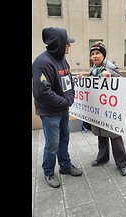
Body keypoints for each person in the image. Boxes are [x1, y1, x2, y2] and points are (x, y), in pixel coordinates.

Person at [32, 27, 83, 188]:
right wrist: (65, 102)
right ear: (59, 44)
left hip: (63, 110)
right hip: (50, 113)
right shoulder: (42, 63)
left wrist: (71, 96)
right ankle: (48, 172)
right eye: (68, 43)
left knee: (64, 139)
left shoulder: (62, 59)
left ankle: (65, 166)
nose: (70, 46)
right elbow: (42, 92)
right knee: (52, 144)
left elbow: (68, 79)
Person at [89, 41, 126, 176]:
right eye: (93, 54)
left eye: (98, 53)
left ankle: (122, 163)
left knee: (115, 136)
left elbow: (120, 85)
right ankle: (102, 157)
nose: (95, 56)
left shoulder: (112, 69)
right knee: (101, 135)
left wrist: (110, 77)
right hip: (99, 109)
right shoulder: (93, 70)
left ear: (103, 55)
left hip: (110, 110)